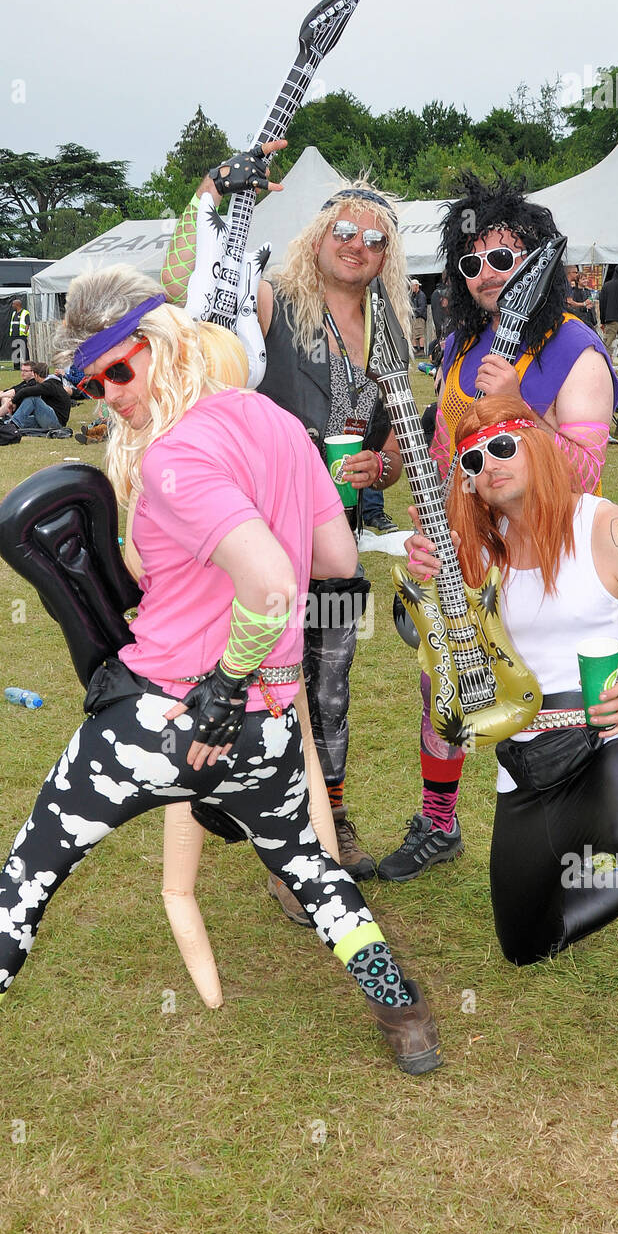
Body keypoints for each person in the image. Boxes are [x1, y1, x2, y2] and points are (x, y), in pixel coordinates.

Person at [0, 265, 442, 1134]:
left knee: (29, 876)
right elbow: (336, 562)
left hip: (163, 717)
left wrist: (221, 689)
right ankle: (406, 1015)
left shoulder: (178, 455)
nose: (107, 396)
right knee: (311, 871)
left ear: (164, 346)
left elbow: (269, 581)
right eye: (91, 383)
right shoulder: (277, 426)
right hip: (263, 731)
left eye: (120, 371)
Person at [405, 391, 618, 1071]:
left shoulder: (607, 529)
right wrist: (431, 591)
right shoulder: (475, 553)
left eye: (502, 445)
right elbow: (447, 662)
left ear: (538, 444)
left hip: (612, 739)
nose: (488, 464)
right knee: (525, 942)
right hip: (527, 760)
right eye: (471, 458)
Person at [164, 142, 411, 882]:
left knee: (331, 686)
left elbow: (396, 444)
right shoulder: (271, 299)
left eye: (376, 239)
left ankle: (330, 812)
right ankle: (283, 834)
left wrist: (383, 466)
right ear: (317, 236)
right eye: (345, 229)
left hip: (335, 540)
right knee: (269, 684)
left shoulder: (395, 329)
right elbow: (188, 287)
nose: (358, 245)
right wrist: (209, 194)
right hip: (260, 536)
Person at [378, 171, 618, 882]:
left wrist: (521, 405)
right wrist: (432, 507)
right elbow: (447, 453)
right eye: (471, 261)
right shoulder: (459, 347)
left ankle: (615, 847)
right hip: (469, 561)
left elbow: (582, 473)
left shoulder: (573, 349)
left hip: (552, 560)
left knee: (554, 713)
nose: (486, 274)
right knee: (444, 685)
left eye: (504, 258)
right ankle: (439, 822)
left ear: (538, 261)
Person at [0, 360, 72, 436]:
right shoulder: (53, 384)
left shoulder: (48, 385)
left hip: (56, 422)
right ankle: (1, 425)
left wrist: (13, 402)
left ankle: (12, 423)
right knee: (21, 421)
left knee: (33, 398)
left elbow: (25, 391)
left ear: (35, 374)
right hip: (53, 419)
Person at [9, 299, 30, 365]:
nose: (12, 306)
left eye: (13, 304)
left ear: (17, 305)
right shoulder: (14, 313)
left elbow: (27, 323)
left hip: (21, 335)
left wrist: (25, 332)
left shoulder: (25, 312)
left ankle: (27, 364)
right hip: (14, 335)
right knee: (15, 350)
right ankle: (16, 366)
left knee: (24, 351)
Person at [410, 279, 428, 355]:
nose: (411, 288)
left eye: (412, 286)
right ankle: (415, 350)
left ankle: (421, 350)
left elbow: (421, 308)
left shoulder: (421, 295)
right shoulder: (413, 295)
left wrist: (413, 312)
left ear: (417, 286)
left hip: (419, 317)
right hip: (414, 317)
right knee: (413, 334)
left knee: (420, 334)